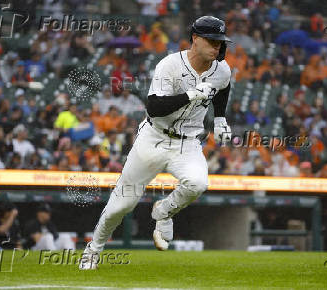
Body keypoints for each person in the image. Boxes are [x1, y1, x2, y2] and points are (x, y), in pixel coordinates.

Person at [80, 16, 232, 270]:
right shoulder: (169, 65)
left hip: (188, 143)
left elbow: (222, 86)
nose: (217, 46)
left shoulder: (222, 69)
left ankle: (163, 211)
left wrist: (220, 119)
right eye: (212, 40)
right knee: (122, 204)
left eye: (220, 41)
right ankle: (93, 250)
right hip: (154, 137)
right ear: (195, 38)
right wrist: (191, 95)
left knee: (197, 183)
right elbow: (154, 108)